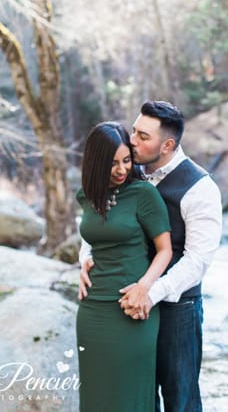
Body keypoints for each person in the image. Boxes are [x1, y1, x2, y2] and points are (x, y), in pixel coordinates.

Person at [80, 101, 222, 412]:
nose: (132, 140)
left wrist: (149, 292)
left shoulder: (201, 189)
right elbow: (100, 217)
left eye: (143, 136)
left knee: (180, 399)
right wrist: (86, 256)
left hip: (176, 309)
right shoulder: (126, 170)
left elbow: (197, 261)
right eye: (133, 130)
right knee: (136, 396)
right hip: (126, 307)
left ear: (167, 145)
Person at [75, 121, 172, 412]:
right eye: (112, 163)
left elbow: (164, 251)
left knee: (130, 396)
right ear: (96, 163)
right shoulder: (86, 196)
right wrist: (82, 262)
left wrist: (145, 287)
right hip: (92, 310)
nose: (121, 170)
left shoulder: (144, 194)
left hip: (133, 307)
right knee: (96, 398)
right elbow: (93, 240)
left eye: (126, 160)